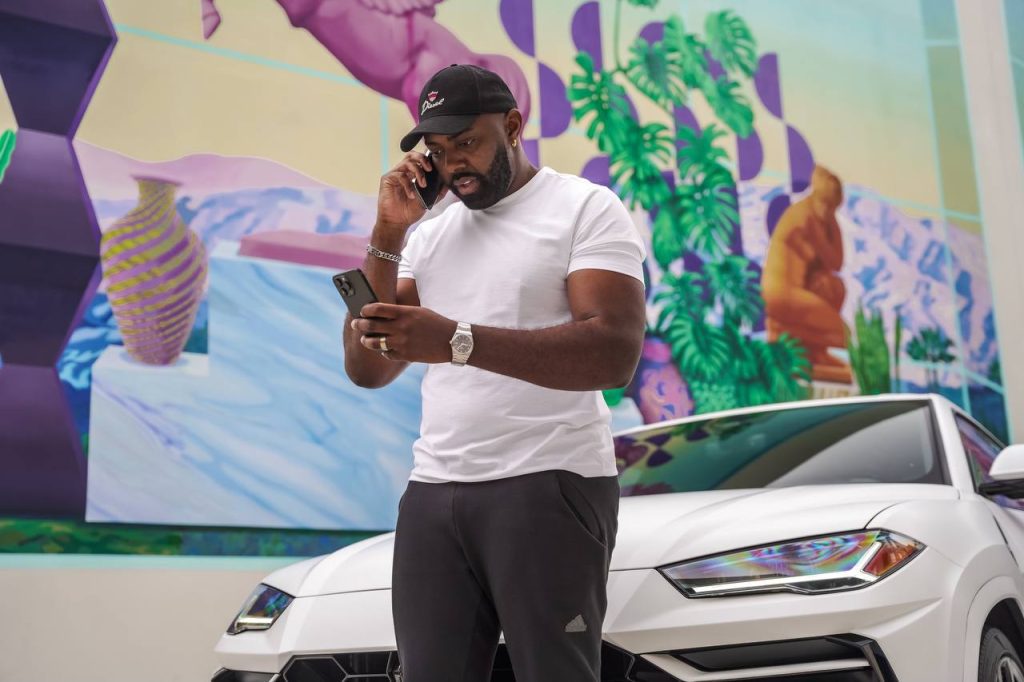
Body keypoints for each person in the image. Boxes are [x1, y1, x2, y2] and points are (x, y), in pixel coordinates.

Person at [342, 63, 647, 682]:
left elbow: (613, 353)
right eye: (438, 151)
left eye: (467, 143)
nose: (454, 164)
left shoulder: (584, 208)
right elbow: (367, 368)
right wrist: (389, 231)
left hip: (549, 482)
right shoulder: (428, 237)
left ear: (512, 126)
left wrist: (458, 341)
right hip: (434, 491)